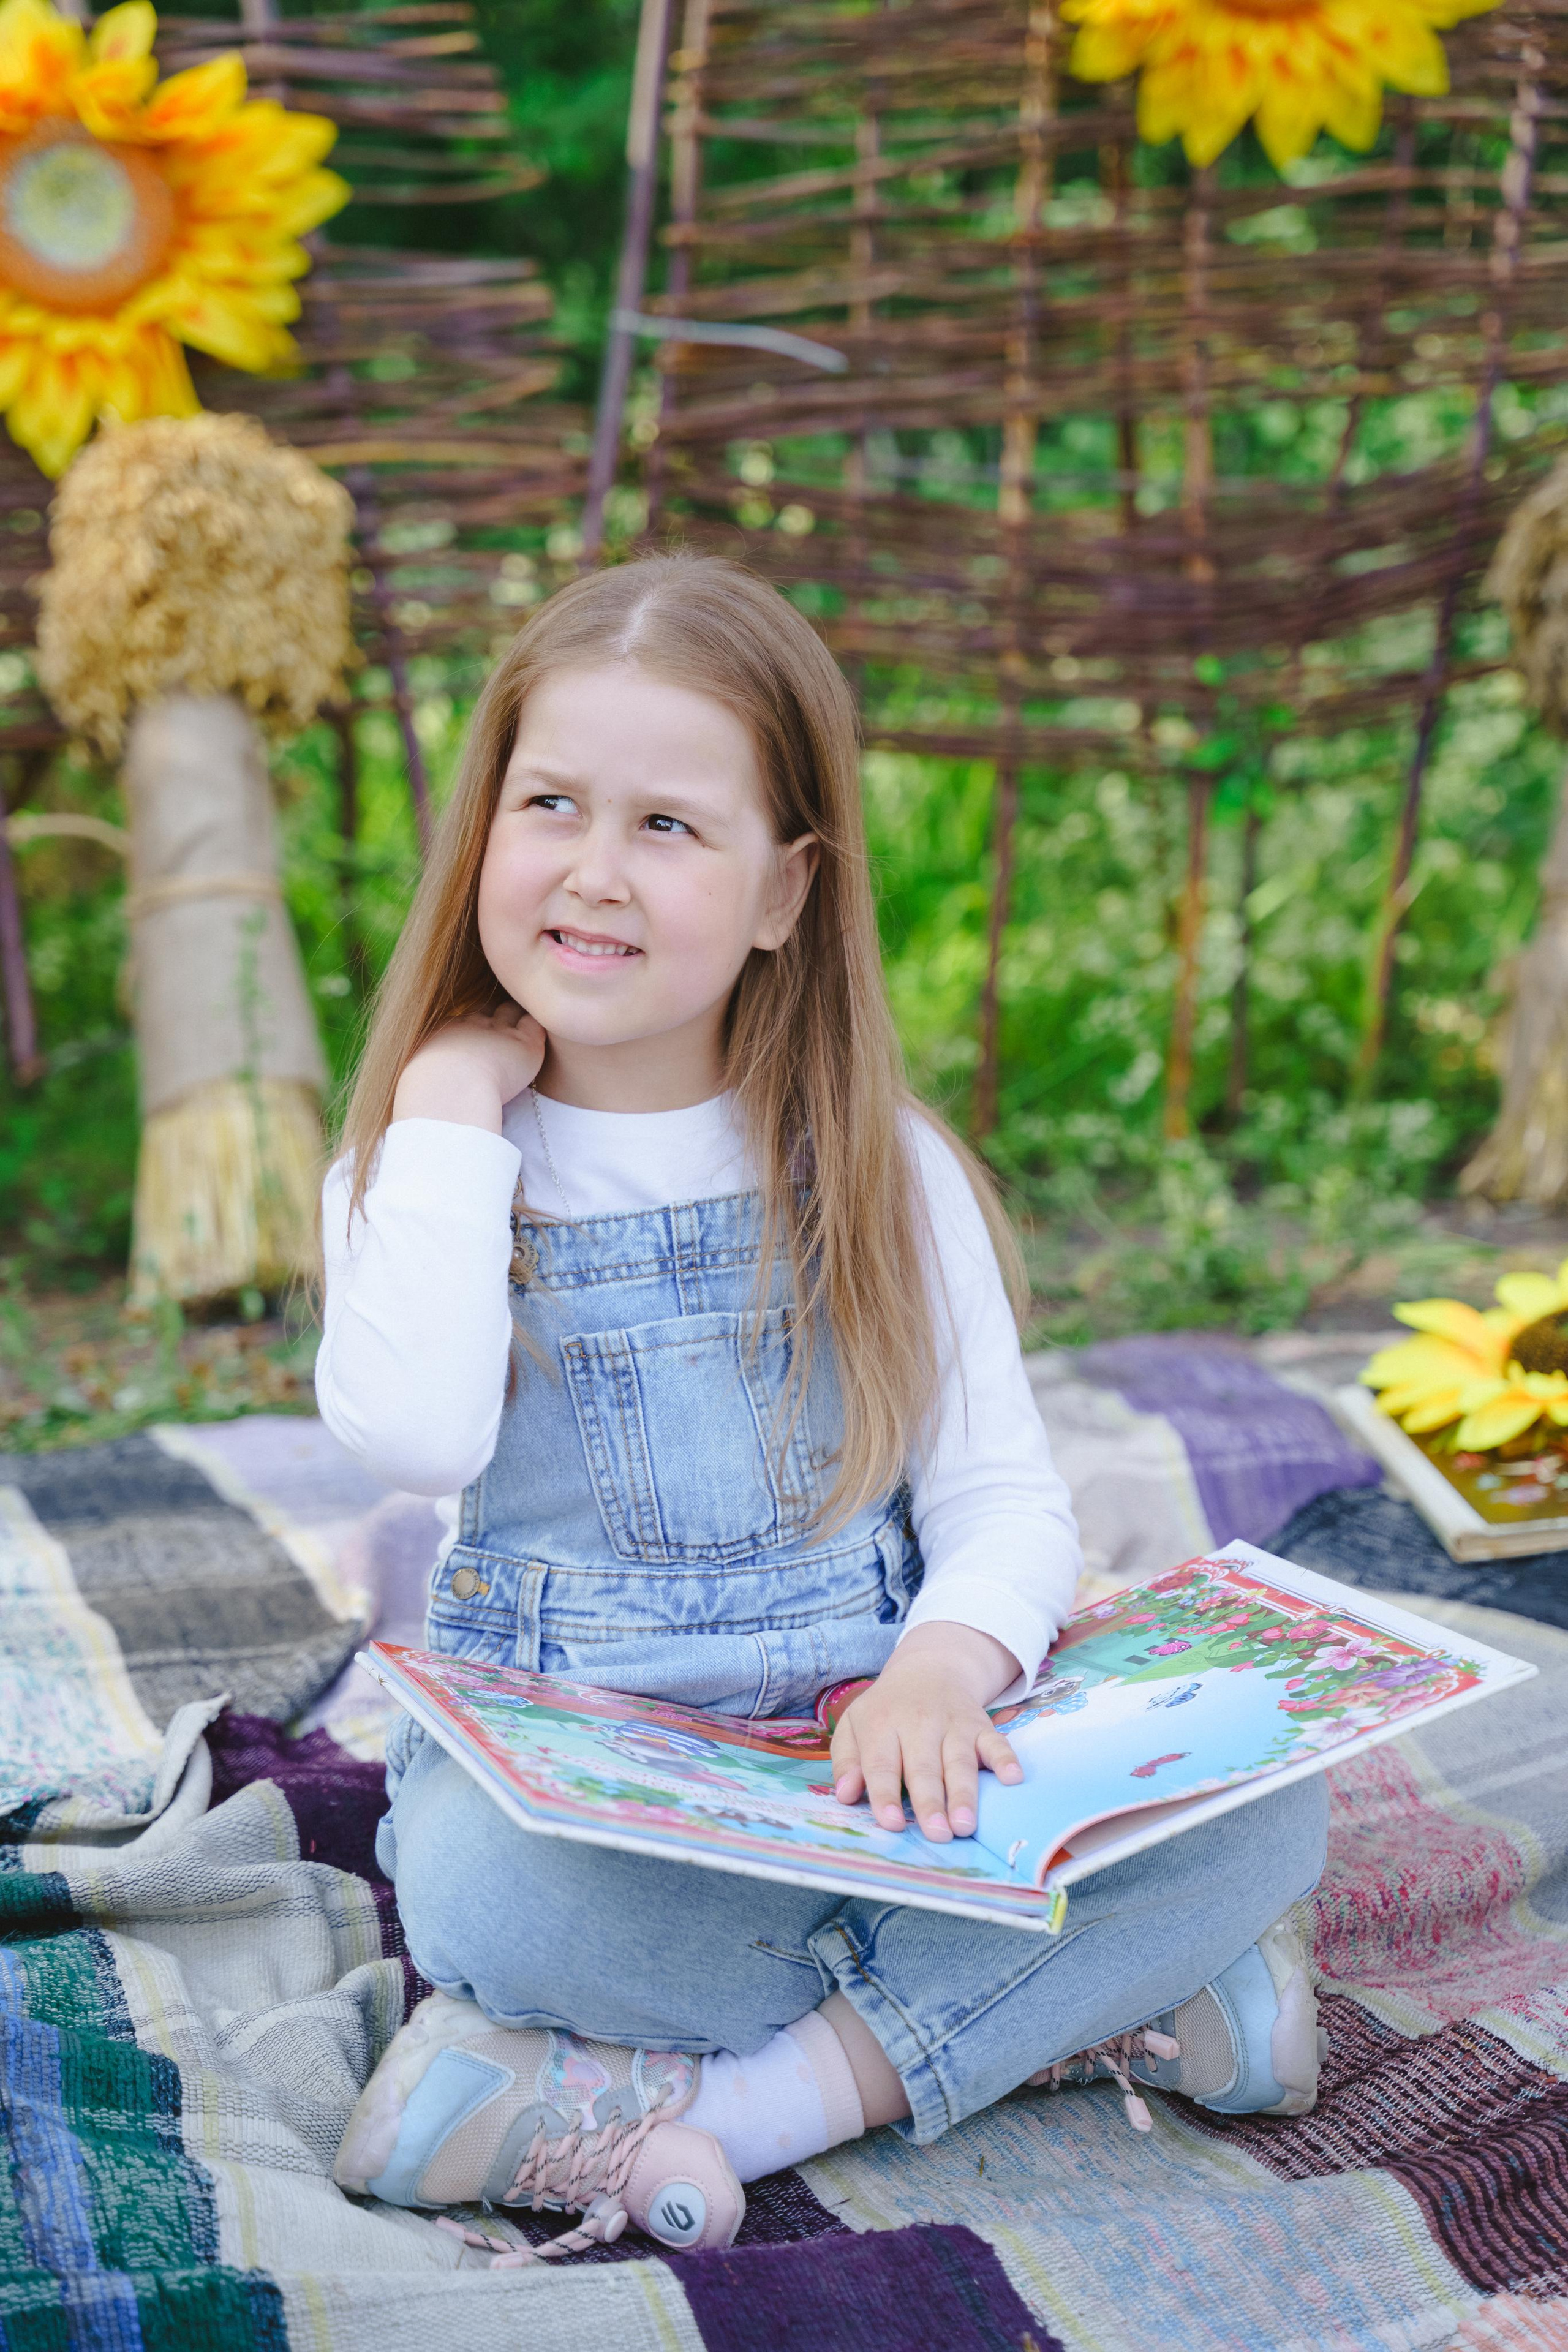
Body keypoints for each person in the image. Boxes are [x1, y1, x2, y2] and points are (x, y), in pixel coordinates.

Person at [317, 554, 1328, 2263]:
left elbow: (1005, 1502)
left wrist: (943, 1667)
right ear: (483, 827)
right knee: (482, 1892)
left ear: (787, 891)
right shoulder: (436, 1169)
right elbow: (414, 1443)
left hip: (890, 1789)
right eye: (551, 804)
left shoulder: (881, 1171)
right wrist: (442, 1097)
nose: (593, 869)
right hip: (617, 1818)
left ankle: (703, 2103)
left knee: (1277, 1794)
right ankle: (1091, 2005)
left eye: (670, 827)